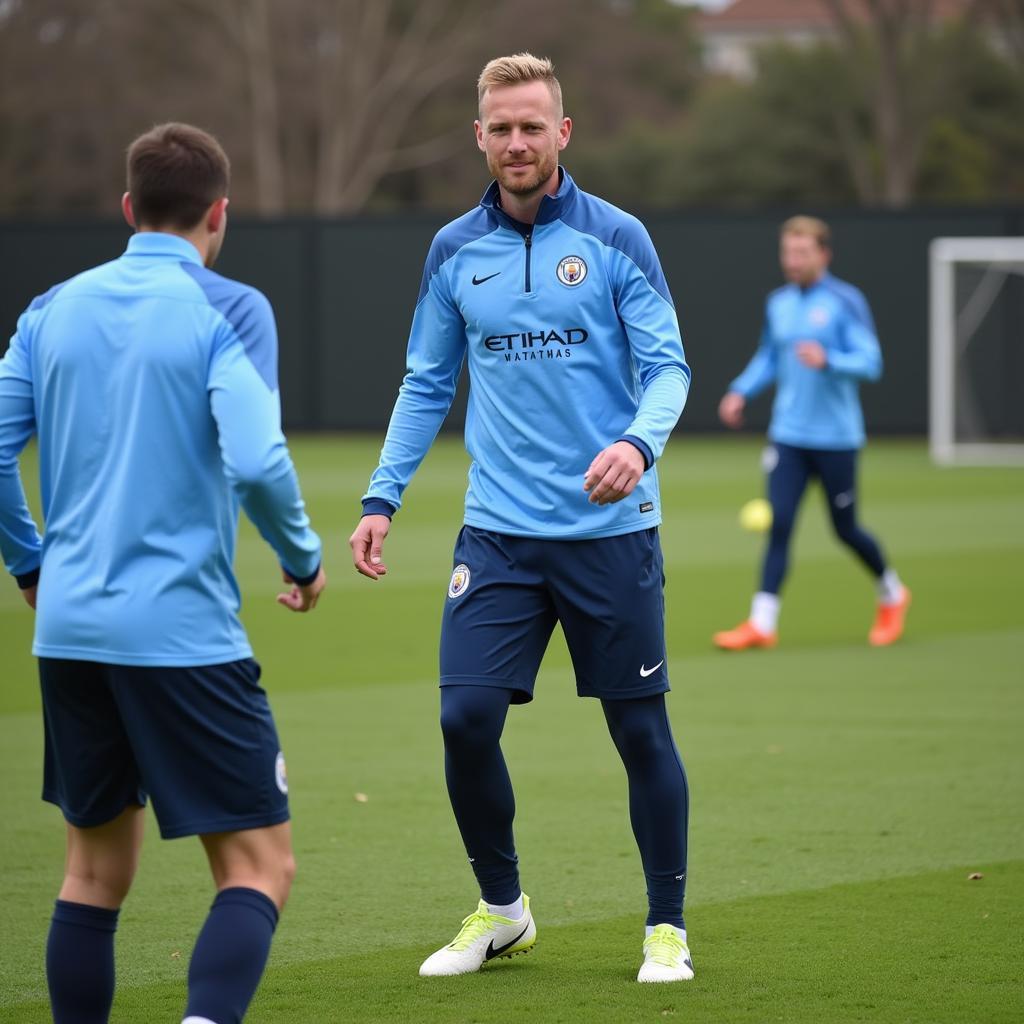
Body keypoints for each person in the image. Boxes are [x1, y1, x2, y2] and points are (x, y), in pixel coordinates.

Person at [349, 54, 693, 984]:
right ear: (479, 136)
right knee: (465, 719)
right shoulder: (453, 251)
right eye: (500, 128)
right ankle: (503, 912)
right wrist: (383, 497)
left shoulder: (620, 238)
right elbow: (426, 382)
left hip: (611, 535)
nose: (515, 143)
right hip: (498, 534)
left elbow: (669, 369)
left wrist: (638, 444)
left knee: (639, 732)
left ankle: (667, 925)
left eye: (531, 126)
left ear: (563, 133)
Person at [0, 122, 326, 1024]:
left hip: (66, 633)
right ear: (219, 214)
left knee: (93, 873)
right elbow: (259, 463)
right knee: (259, 868)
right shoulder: (229, 308)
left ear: (126, 209)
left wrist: (30, 562)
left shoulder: (49, 309)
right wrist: (301, 558)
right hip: (181, 634)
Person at [713, 215, 909, 651]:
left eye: (802, 253)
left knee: (845, 529)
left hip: (837, 439)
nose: (793, 261)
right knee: (779, 524)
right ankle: (762, 624)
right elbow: (769, 357)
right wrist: (740, 391)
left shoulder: (845, 301)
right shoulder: (778, 303)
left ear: (824, 254)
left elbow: (871, 362)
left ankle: (892, 594)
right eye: (787, 252)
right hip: (789, 436)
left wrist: (831, 360)